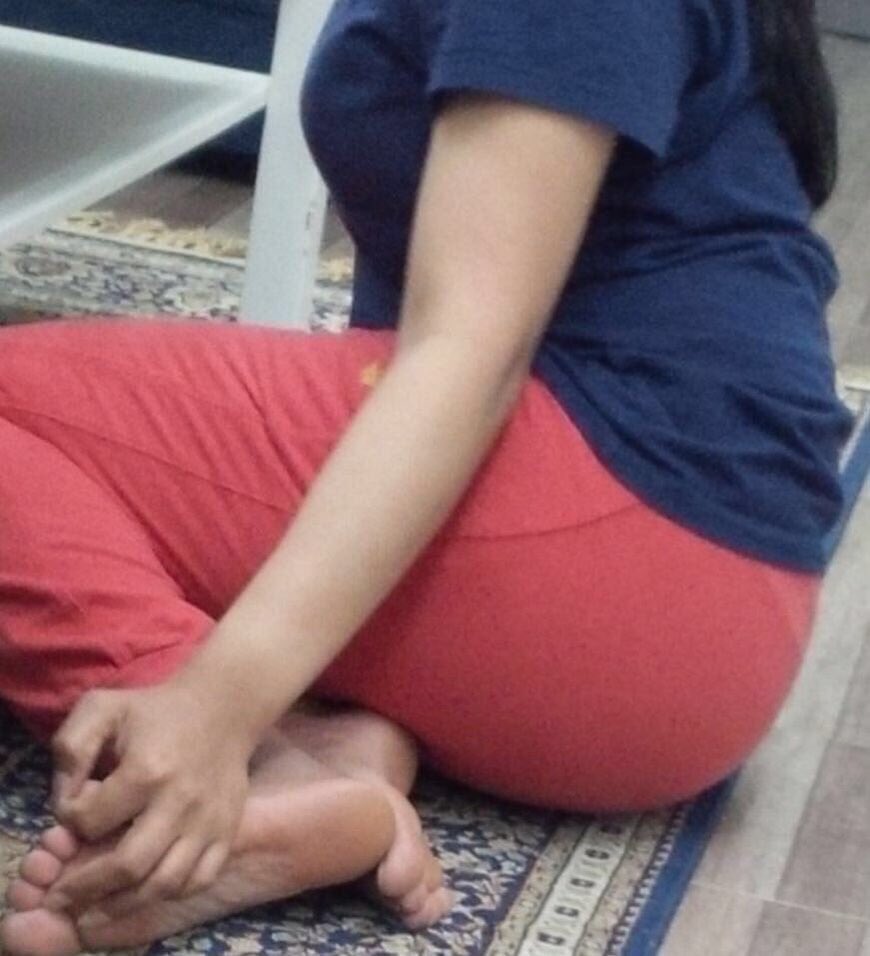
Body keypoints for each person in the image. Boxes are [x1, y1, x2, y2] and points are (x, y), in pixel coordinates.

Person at [0, 0, 852, 953]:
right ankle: (339, 744)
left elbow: (469, 354)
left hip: (628, 550)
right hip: (683, 606)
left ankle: (261, 770)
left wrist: (217, 705)